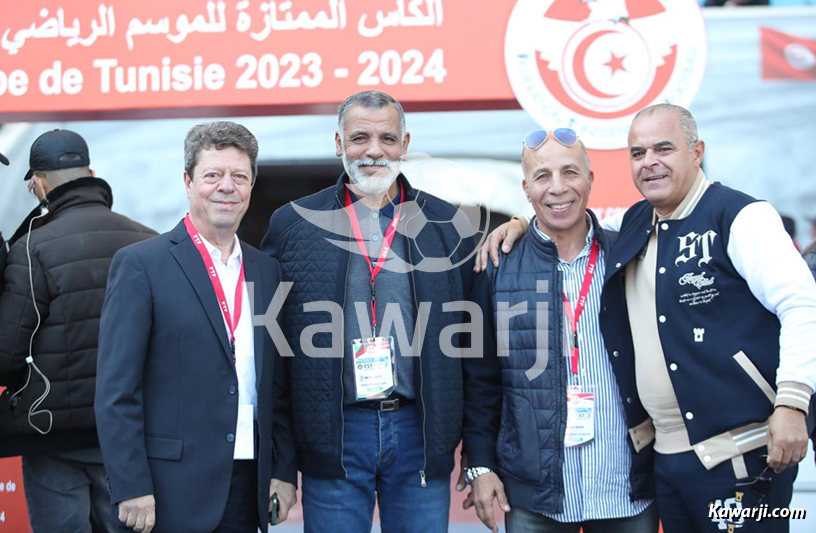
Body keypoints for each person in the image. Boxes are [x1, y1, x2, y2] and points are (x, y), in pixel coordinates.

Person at [476, 104, 816, 532]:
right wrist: (521, 225)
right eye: (638, 152)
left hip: (744, 456)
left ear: (697, 152)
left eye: (664, 148)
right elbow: (562, 220)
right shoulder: (639, 226)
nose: (650, 161)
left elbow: (803, 304)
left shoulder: (741, 216)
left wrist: (793, 402)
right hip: (669, 466)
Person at [260, 90, 486, 532]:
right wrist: (281, 461)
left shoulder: (447, 225)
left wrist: (477, 453)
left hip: (419, 430)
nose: (374, 150)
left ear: (404, 144)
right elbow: (274, 354)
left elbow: (474, 349)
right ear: (339, 143)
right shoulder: (293, 224)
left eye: (387, 138)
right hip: (336, 433)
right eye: (360, 137)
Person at [95, 121, 296, 533]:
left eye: (239, 176)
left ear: (252, 186)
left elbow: (277, 383)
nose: (227, 187)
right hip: (168, 489)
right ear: (188, 182)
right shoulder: (141, 265)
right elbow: (117, 391)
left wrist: (283, 469)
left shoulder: (267, 271)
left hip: (247, 482)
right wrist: (131, 484)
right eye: (212, 175)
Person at [465, 128, 657, 533]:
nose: (557, 188)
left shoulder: (628, 258)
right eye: (542, 176)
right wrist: (479, 466)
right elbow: (481, 382)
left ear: (590, 179)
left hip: (625, 486)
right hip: (537, 495)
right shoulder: (497, 268)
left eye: (570, 173)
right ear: (526, 187)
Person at [0, 130, 155, 532]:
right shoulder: (147, 242)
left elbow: (7, 353)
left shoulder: (32, 246)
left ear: (38, 183)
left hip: (52, 436)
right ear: (91, 173)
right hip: (128, 439)